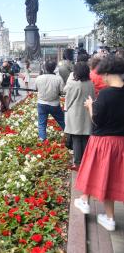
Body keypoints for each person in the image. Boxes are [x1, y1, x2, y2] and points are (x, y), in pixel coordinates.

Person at [74, 55, 124, 232]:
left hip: (102, 142)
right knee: (110, 179)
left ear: (109, 73)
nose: (102, 77)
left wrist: (90, 107)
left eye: (103, 74)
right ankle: (108, 217)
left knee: (92, 171)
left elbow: (97, 121)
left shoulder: (105, 94)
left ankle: (85, 201)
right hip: (120, 144)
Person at [64, 63, 95, 171]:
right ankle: (86, 161)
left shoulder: (74, 84)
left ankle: (77, 163)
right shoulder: (90, 83)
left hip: (75, 114)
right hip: (87, 113)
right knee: (85, 137)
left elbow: (68, 99)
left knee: (76, 138)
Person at [35, 61, 65, 141]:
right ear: (54, 68)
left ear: (44, 68)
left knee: (42, 123)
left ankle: (42, 140)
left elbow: (36, 89)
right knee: (62, 121)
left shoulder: (39, 78)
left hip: (41, 103)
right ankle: (70, 136)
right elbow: (62, 91)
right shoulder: (58, 79)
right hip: (54, 104)